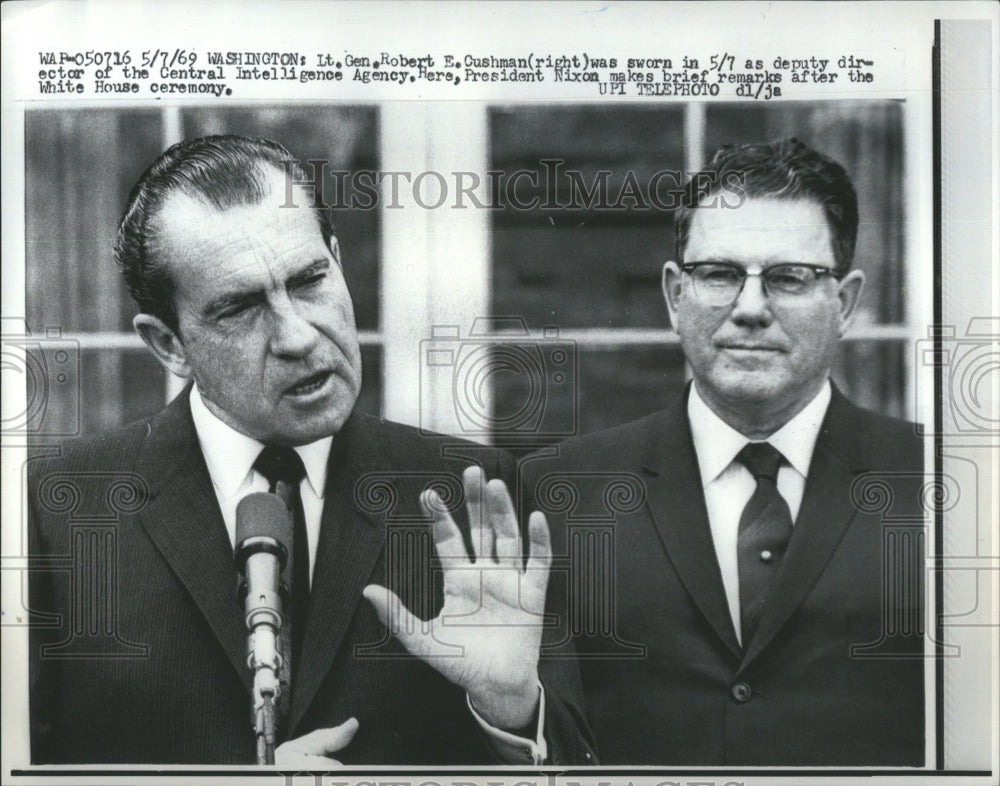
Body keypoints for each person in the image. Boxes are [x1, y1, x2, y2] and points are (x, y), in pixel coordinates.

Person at [27, 135, 594, 766]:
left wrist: (510, 710)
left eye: (309, 281)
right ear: (168, 345)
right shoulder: (55, 513)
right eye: (239, 309)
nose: (297, 336)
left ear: (338, 261)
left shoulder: (475, 494)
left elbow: (579, 766)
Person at [523, 139, 926, 765]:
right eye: (719, 274)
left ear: (844, 303)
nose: (751, 309)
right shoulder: (559, 493)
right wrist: (508, 711)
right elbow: (544, 739)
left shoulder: (941, 484)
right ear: (674, 294)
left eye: (790, 278)